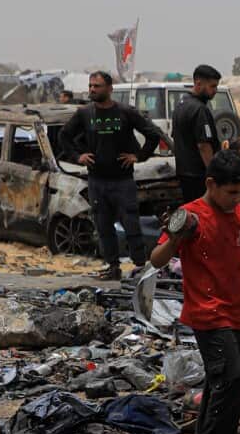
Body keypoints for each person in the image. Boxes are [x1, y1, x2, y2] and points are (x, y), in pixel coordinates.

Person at [150, 150, 240, 434]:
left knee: (221, 381)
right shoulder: (191, 216)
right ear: (210, 183)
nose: (238, 199)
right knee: (231, 379)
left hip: (238, 312)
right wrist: (177, 238)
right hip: (207, 313)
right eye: (232, 192)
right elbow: (156, 260)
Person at [59, 71, 167, 280]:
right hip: (97, 180)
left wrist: (139, 156)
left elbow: (153, 134)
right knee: (103, 226)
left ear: (109, 89)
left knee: (131, 225)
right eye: (90, 86)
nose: (92, 90)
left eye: (97, 86)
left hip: (123, 181)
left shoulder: (126, 112)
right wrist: (77, 156)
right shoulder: (84, 114)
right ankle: (113, 267)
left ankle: (139, 267)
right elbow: (64, 136)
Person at [172, 64, 223, 202]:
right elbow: (204, 145)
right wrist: (213, 174)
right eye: (212, 86)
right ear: (199, 83)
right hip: (199, 175)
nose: (215, 90)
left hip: (184, 174)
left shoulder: (181, 104)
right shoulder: (199, 109)